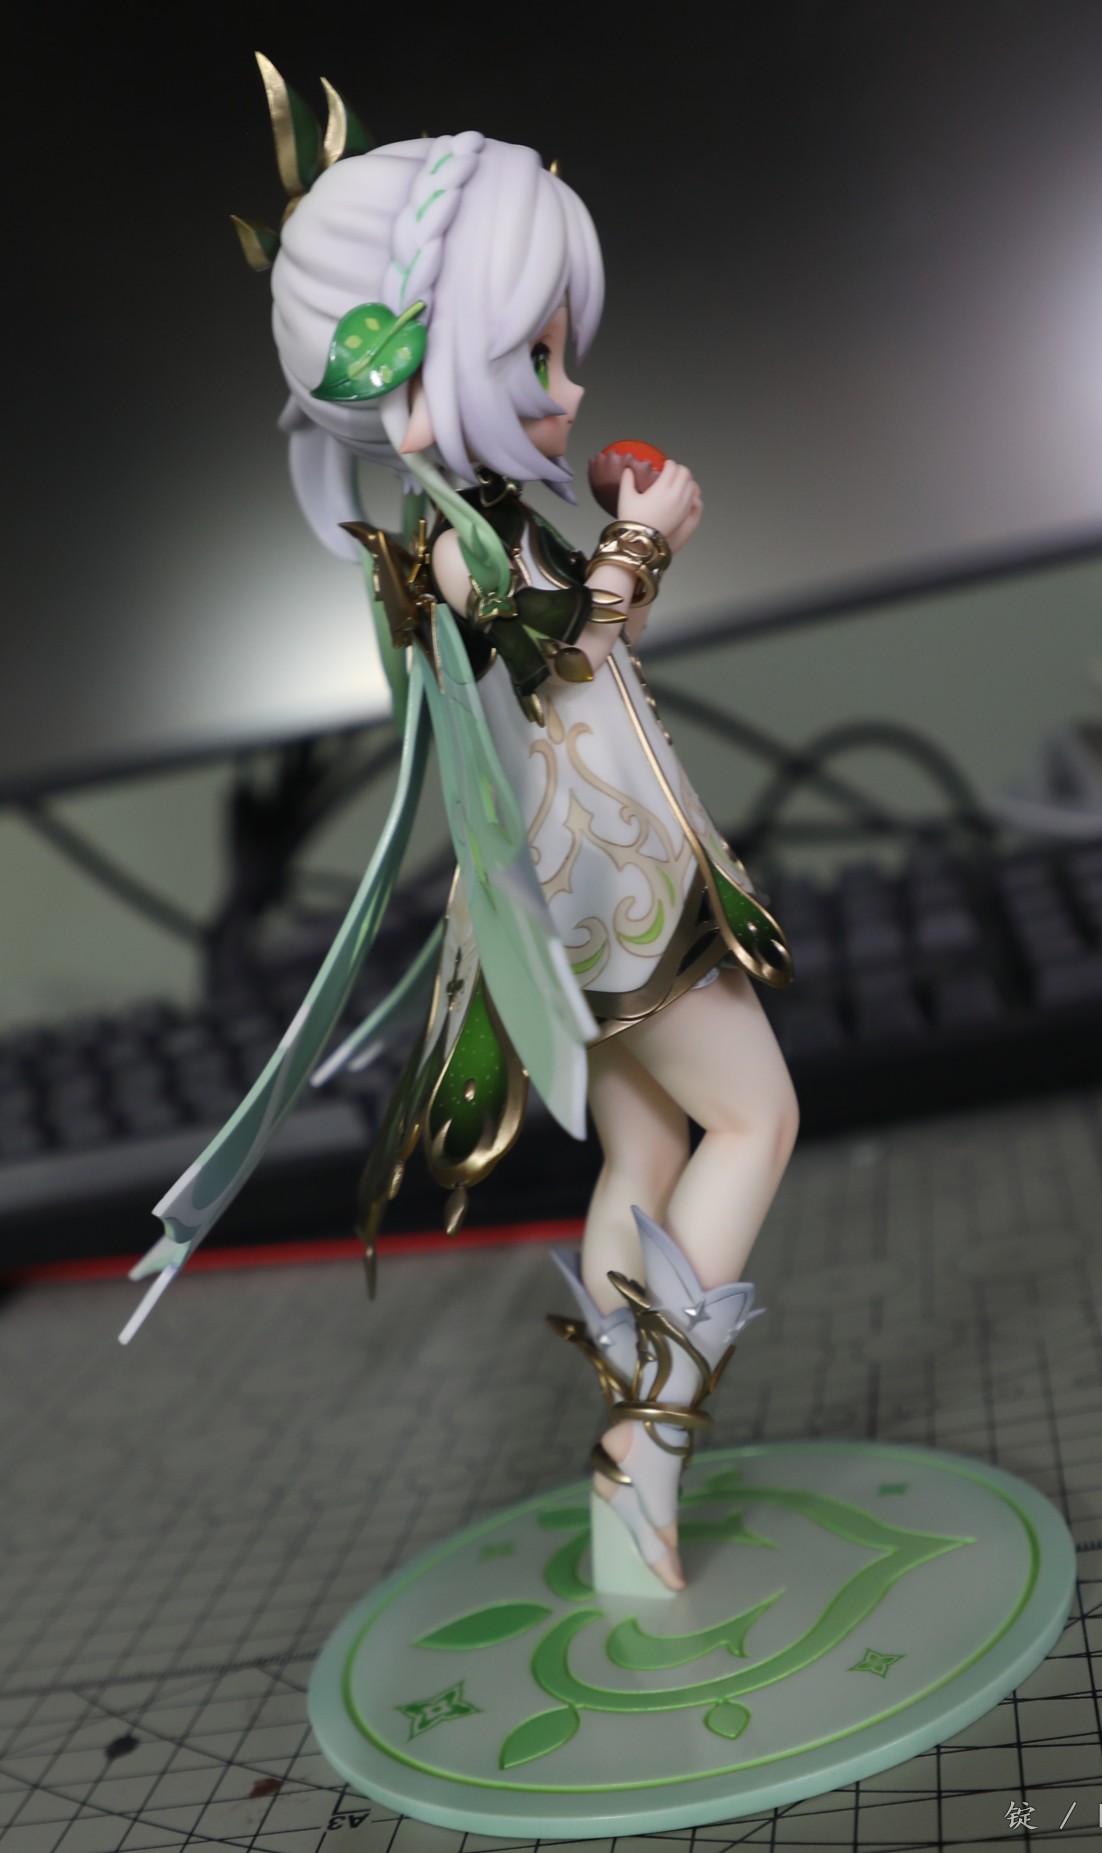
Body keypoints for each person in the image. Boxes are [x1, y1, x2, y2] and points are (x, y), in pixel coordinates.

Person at [128, 73, 799, 1592]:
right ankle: (648, 1442)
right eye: (533, 352)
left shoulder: (480, 519)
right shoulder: (451, 536)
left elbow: (585, 648)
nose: (564, 383)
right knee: (756, 1122)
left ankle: (630, 1487)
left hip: (587, 872)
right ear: (418, 373)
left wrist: (623, 535)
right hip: (604, 886)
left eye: (559, 348)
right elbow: (566, 646)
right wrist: (642, 539)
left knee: (648, 1140)